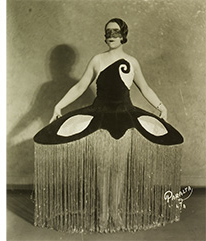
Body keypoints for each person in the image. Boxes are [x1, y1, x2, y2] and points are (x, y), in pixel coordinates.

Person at [33, 18, 184, 232]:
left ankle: (115, 212)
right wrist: (59, 106)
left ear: (123, 35)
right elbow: (80, 87)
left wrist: (162, 107)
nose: (111, 35)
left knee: (119, 168)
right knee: (103, 168)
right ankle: (103, 213)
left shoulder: (132, 62)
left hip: (125, 118)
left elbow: (145, 88)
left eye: (115, 31)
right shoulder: (97, 60)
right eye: (108, 32)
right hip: (100, 119)